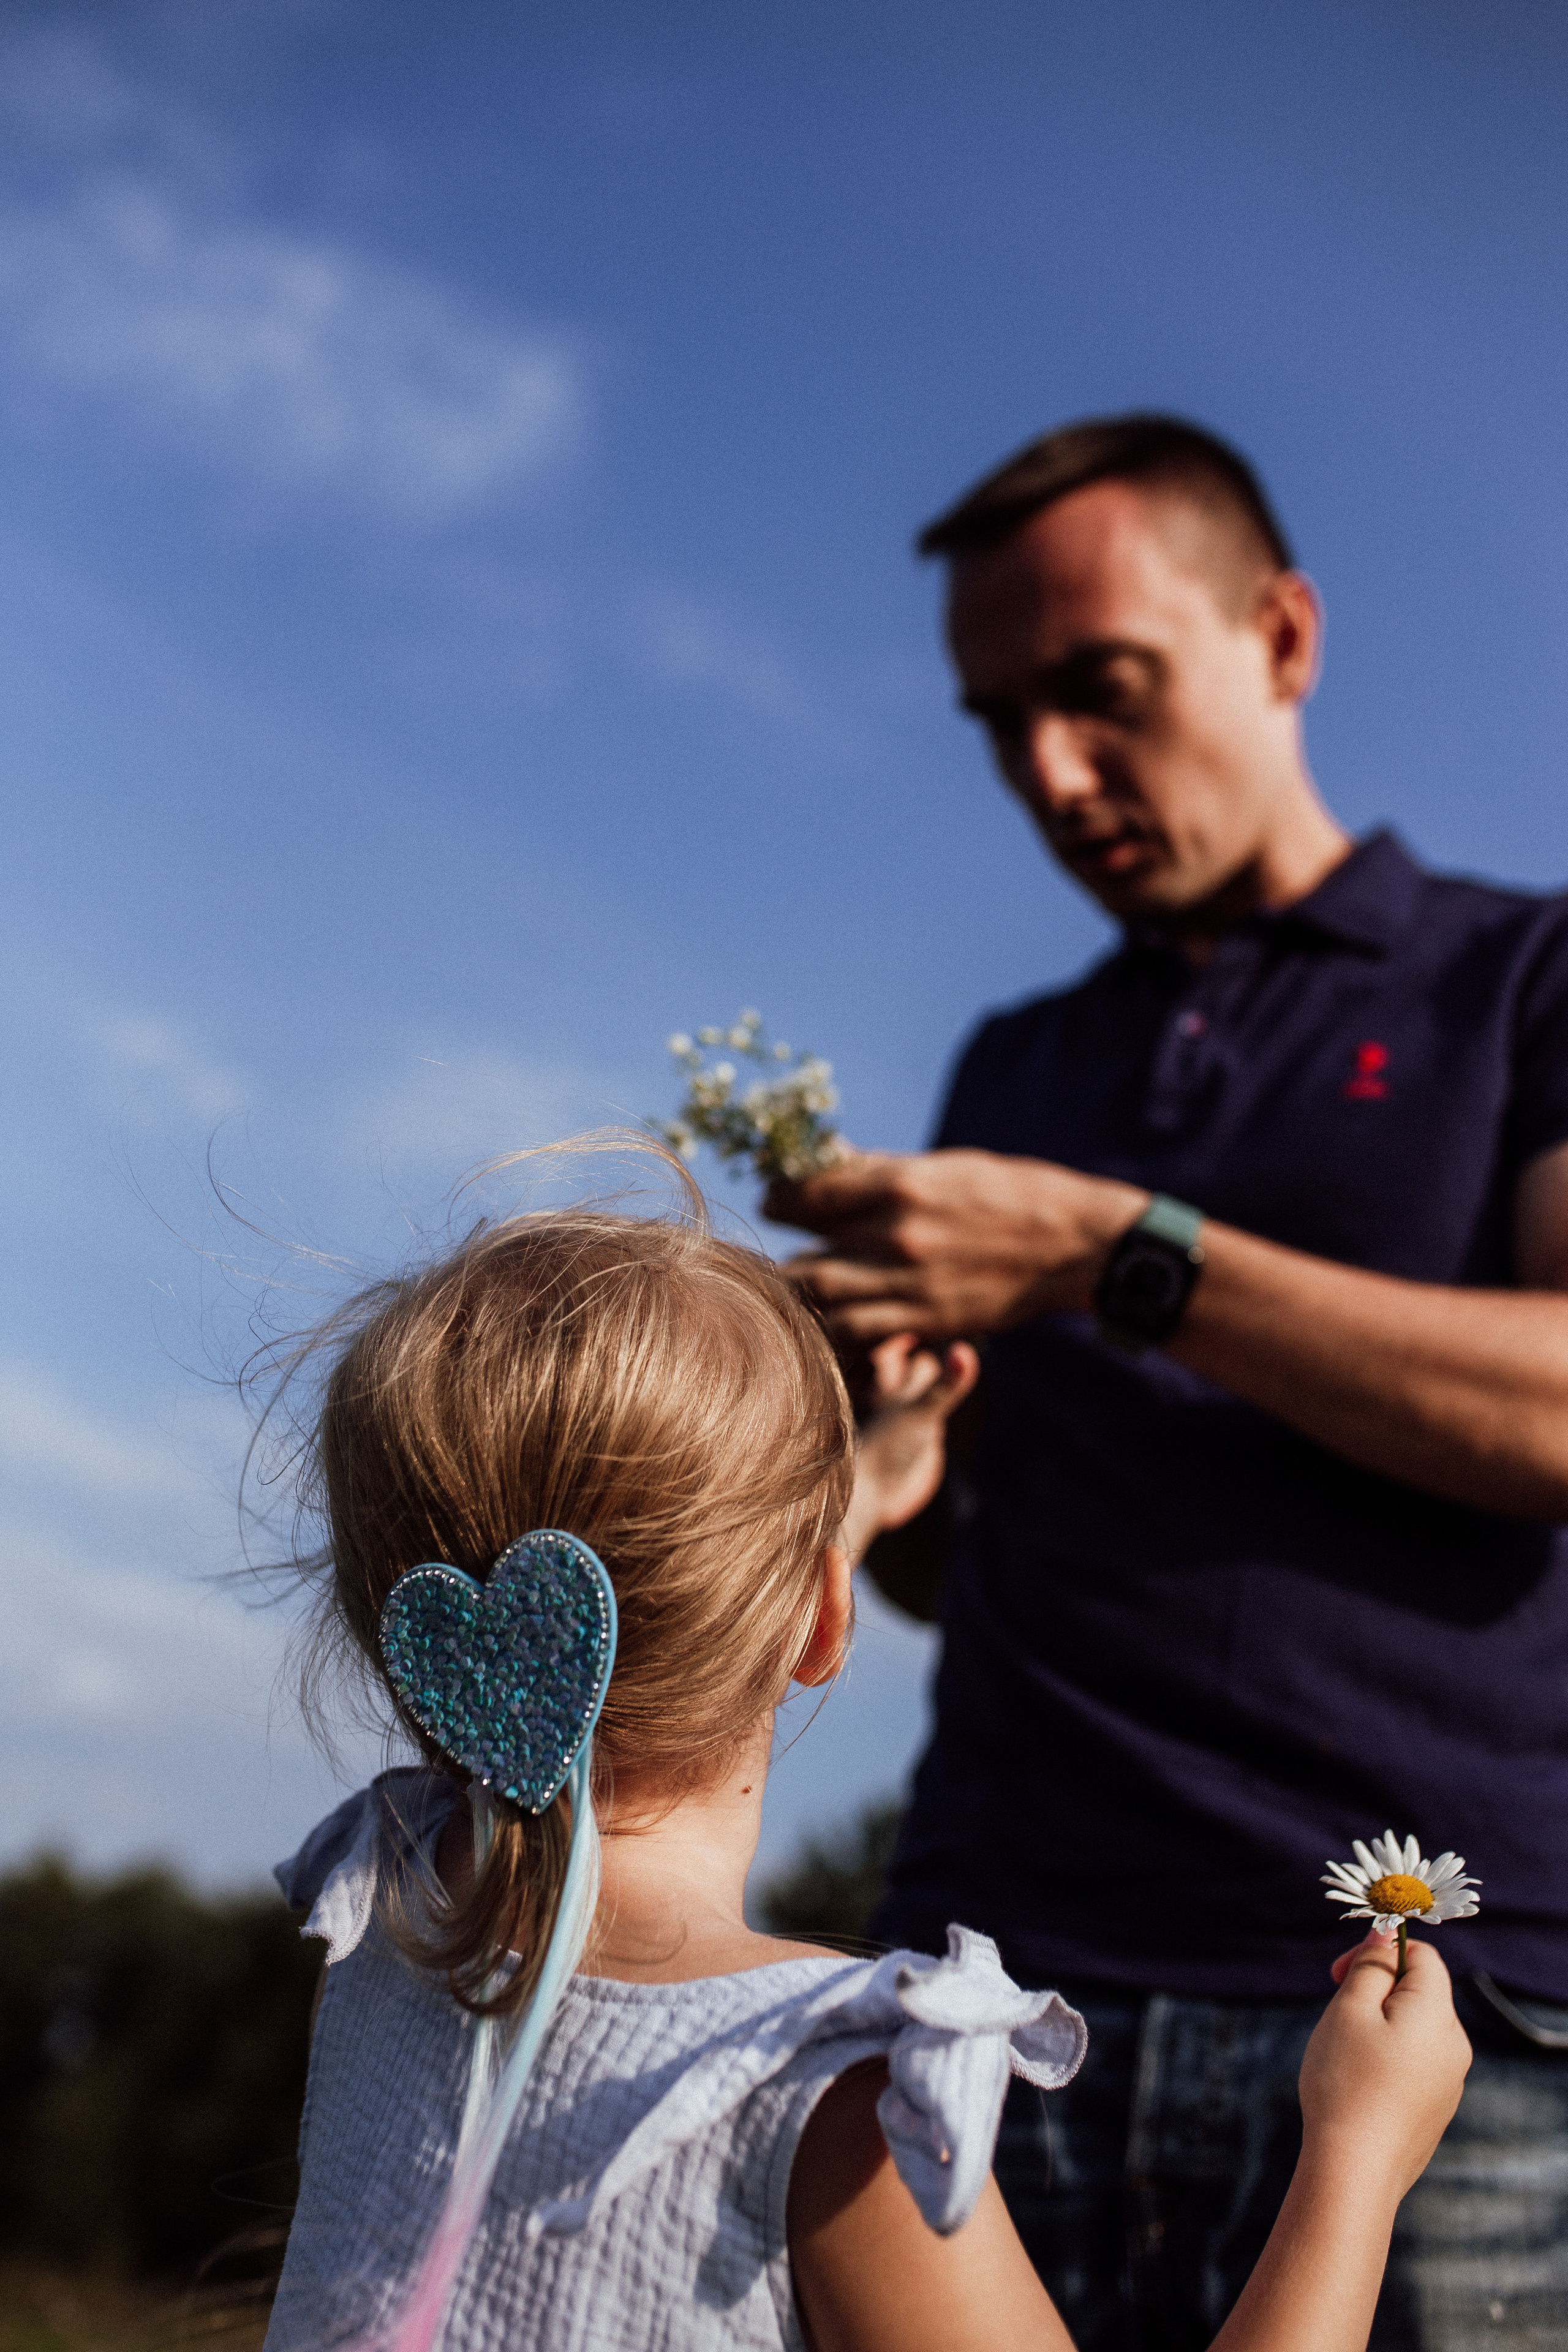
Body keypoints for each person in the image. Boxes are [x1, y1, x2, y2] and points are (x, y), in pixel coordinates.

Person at [766, 414, 1568, 2351]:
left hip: (1422, 2041)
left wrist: (1118, 1258)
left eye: (1100, 689)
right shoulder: (1010, 1068)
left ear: (1281, 637)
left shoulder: (1523, 981)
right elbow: (955, 1579)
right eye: (999, 720)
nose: (1052, 772)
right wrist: (883, 1444)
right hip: (978, 2010)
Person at [258, 1150, 1468, 2352]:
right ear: (828, 1616)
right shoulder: (829, 2106)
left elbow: (614, 1598)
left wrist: (844, 1506)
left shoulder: (384, 1919)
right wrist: (1354, 2165)